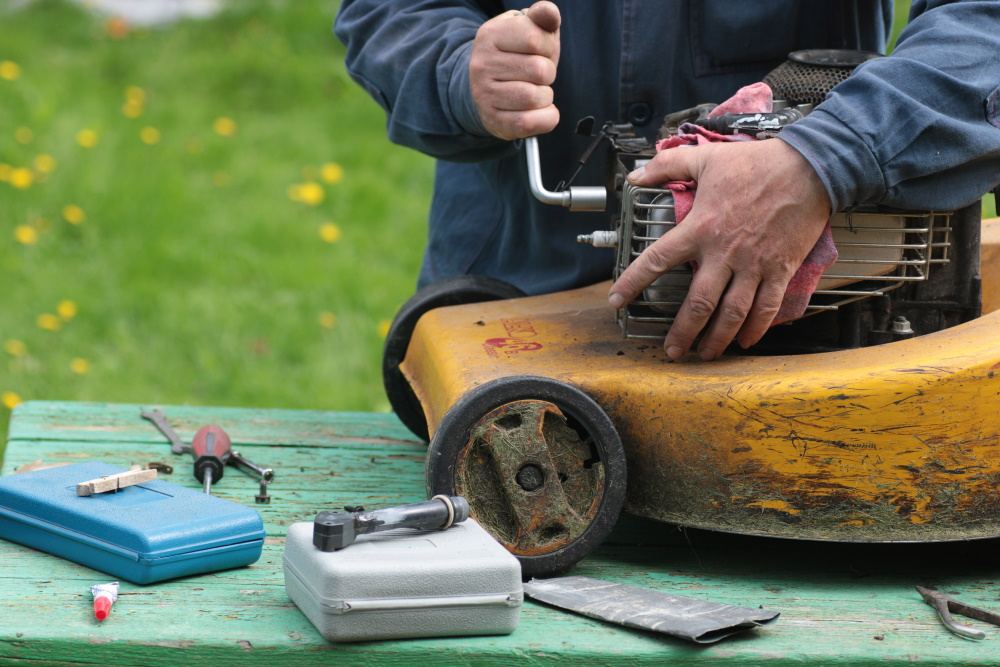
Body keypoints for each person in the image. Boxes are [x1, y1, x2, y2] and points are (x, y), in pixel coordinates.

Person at [334, 1, 1000, 361]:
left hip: (806, 339)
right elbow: (387, 12)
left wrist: (822, 157)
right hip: (509, 316)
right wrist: (460, 69)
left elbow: (984, 23)